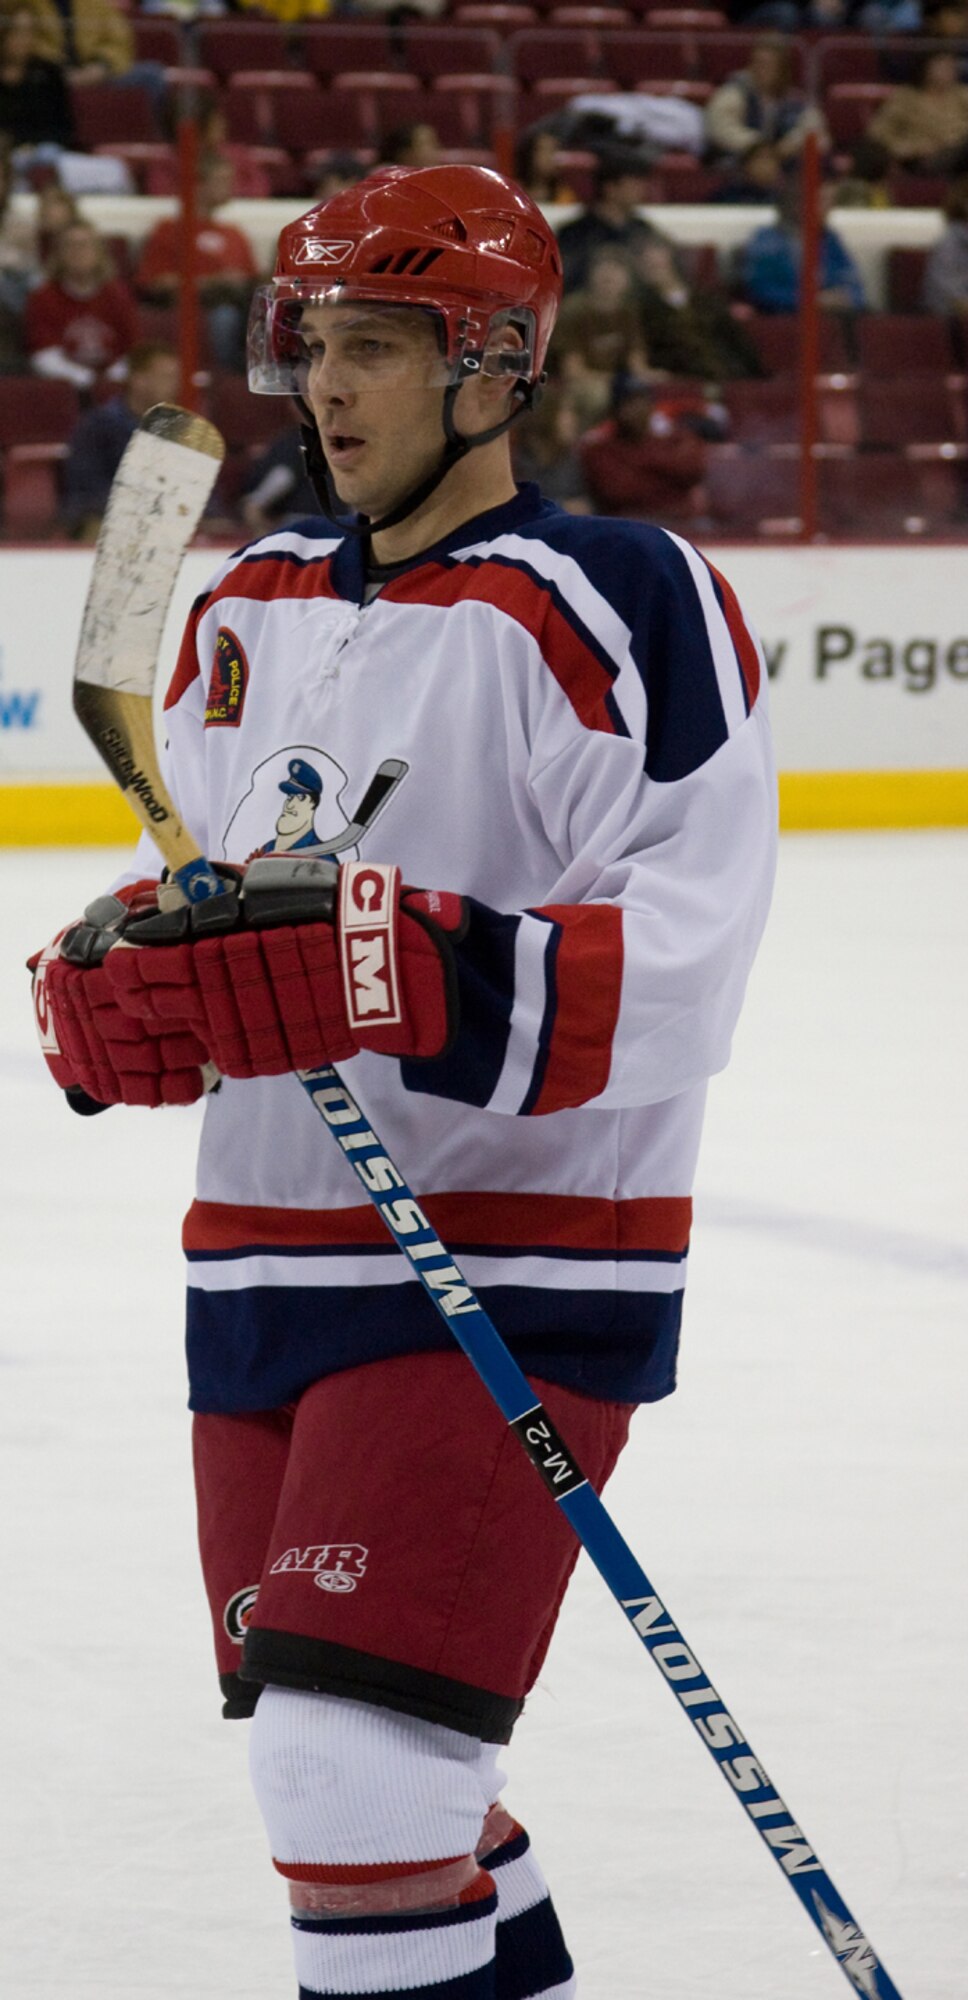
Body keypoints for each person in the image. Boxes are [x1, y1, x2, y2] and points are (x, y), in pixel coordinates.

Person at [30, 163, 777, 2000]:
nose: (328, 387)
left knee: (349, 1771)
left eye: (379, 344)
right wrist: (126, 984)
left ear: (499, 363)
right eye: (314, 346)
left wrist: (393, 960)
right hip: (268, 1255)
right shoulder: (242, 611)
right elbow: (222, 909)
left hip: (519, 1251)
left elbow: (684, 959)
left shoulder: (615, 595)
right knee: (375, 1777)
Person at [135, 152, 259, 371]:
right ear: (198, 185)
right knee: (224, 318)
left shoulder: (234, 234)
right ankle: (226, 375)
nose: (230, 186)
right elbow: (156, 283)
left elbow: (252, 278)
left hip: (240, 305)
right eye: (222, 180)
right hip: (202, 308)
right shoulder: (169, 231)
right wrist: (212, 282)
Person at [61, 338, 180, 535]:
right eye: (167, 377)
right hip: (111, 523)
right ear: (139, 380)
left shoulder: (179, 430)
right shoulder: (97, 427)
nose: (176, 385)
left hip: (168, 523)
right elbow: (87, 490)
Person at [578, 370, 725, 522]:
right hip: (630, 526)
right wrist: (670, 475)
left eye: (642, 401)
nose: (637, 410)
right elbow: (620, 491)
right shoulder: (600, 450)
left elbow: (695, 468)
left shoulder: (675, 438)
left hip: (682, 524)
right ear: (614, 410)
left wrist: (642, 462)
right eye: (629, 403)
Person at [24, 212, 136, 387]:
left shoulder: (117, 295)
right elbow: (43, 356)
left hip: (115, 389)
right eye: (70, 245)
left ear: (99, 252)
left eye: (84, 245)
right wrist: (88, 380)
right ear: (58, 254)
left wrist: (110, 380)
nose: (78, 252)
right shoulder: (43, 297)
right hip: (63, 389)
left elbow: (132, 350)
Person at [634, 237, 767, 383]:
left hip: (730, 376)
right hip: (686, 382)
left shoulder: (707, 300)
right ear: (640, 269)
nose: (653, 265)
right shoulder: (643, 310)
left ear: (670, 258)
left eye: (656, 261)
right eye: (647, 264)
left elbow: (737, 341)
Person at [550, 242, 654, 424]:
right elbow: (573, 370)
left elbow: (637, 364)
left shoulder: (629, 311)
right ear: (591, 275)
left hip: (616, 381)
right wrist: (618, 382)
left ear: (628, 280)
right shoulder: (573, 310)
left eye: (617, 271)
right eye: (604, 270)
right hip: (578, 385)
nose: (609, 276)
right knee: (598, 395)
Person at [737, 175, 866, 317]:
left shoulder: (830, 240)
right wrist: (810, 301)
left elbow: (854, 285)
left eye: (830, 201)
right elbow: (761, 291)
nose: (829, 208)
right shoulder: (766, 240)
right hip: (785, 322)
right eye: (822, 200)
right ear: (798, 202)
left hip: (830, 321)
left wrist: (845, 298)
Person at [704, 34, 828, 169]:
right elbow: (721, 129)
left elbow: (817, 134)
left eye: (769, 65)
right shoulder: (735, 92)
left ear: (783, 69)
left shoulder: (794, 100)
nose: (761, 69)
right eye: (758, 63)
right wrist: (760, 147)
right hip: (742, 163)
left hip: (783, 163)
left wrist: (786, 146)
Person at [554, 149, 667, 292]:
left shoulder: (644, 231)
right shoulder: (574, 235)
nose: (642, 190)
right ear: (610, 188)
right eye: (634, 184)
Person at [865, 48, 968, 174]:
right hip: (921, 159)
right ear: (925, 67)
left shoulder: (962, 94)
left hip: (959, 154)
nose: (949, 71)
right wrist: (909, 149)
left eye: (951, 66)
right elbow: (878, 133)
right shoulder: (905, 97)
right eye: (942, 66)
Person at [0, 5, 75, 151]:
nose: (25, 40)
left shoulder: (49, 72)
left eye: (30, 32)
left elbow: (63, 129)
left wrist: (32, 146)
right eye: (18, 32)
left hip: (41, 152)